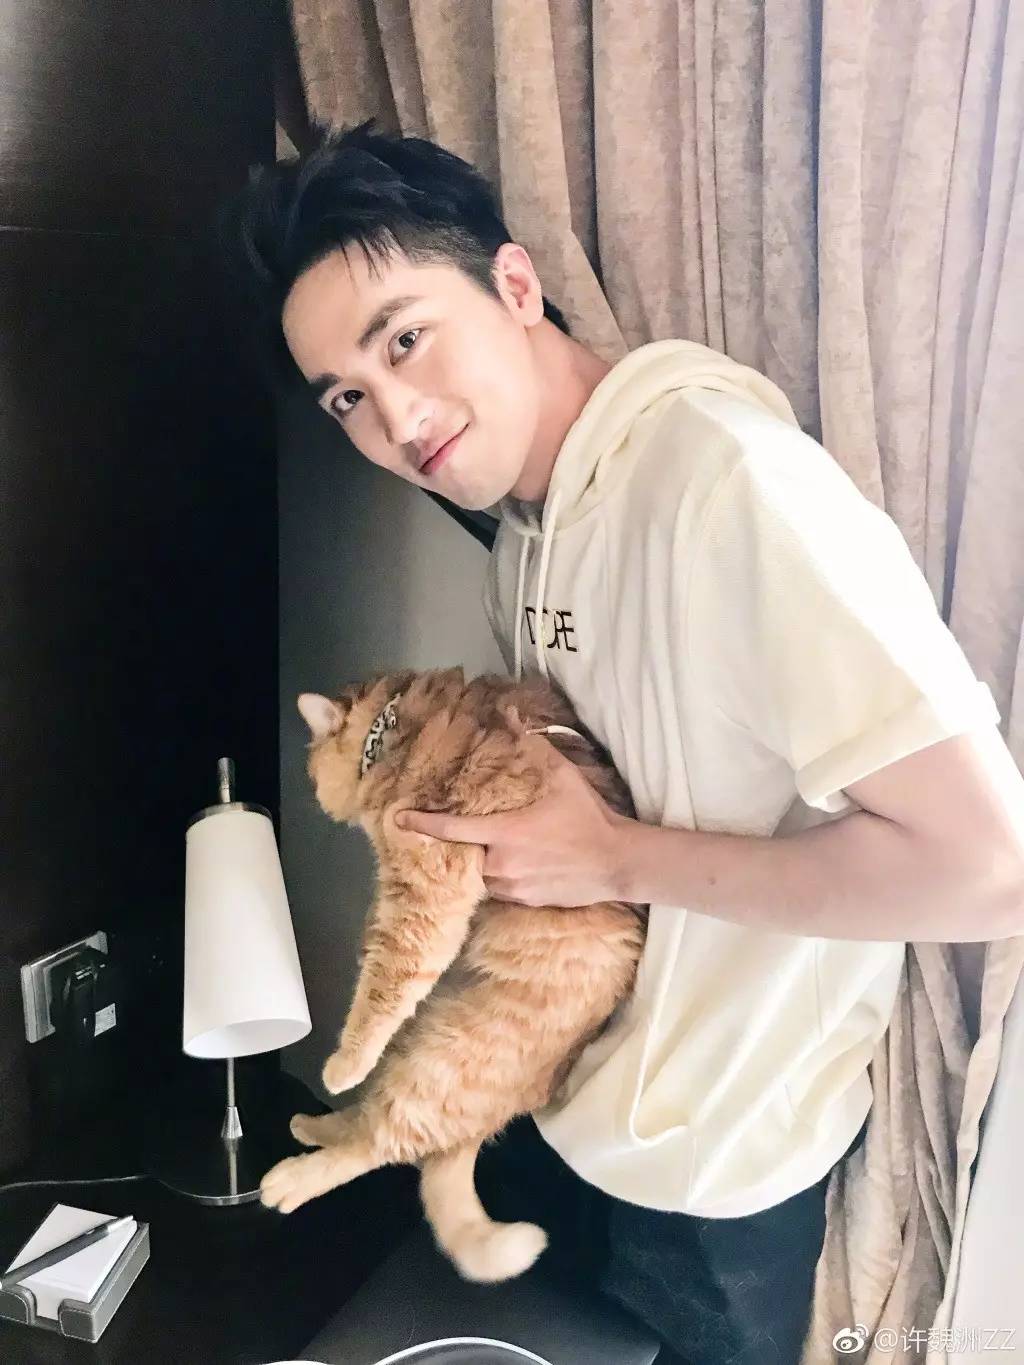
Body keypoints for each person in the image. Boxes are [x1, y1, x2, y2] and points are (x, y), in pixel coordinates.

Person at [235, 123, 1024, 1363]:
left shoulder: (733, 487)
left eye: (404, 339)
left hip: (723, 1171)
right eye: (347, 397)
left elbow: (987, 868)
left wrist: (616, 859)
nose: (395, 417)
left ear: (513, 284)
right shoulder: (527, 539)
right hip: (571, 1114)